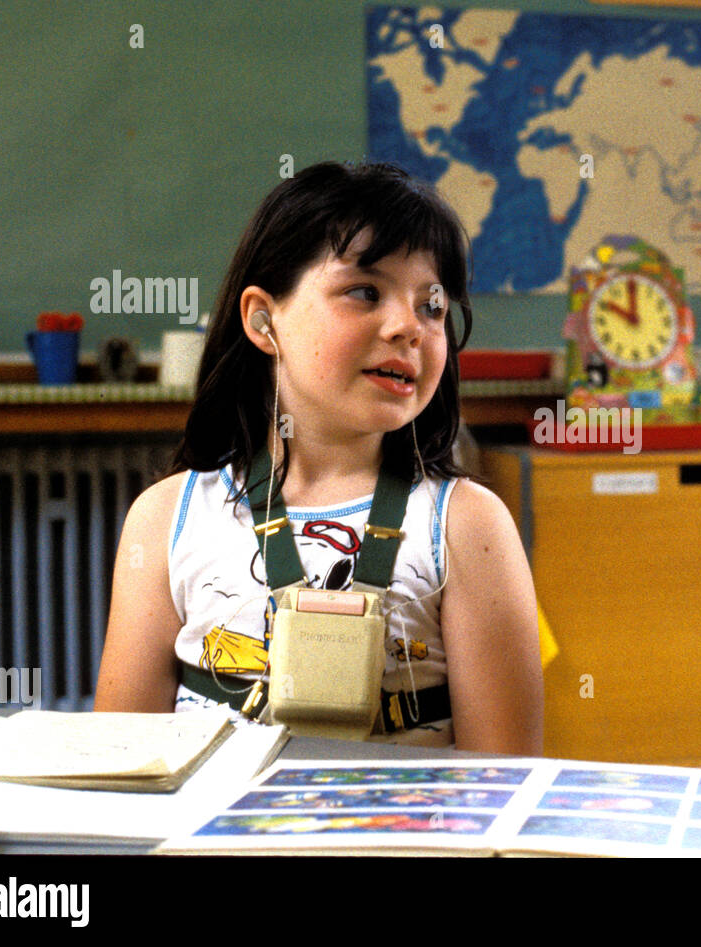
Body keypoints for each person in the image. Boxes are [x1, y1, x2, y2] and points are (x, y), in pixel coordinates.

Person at [95, 162, 542, 754]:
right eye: (365, 291)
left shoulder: (468, 524)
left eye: (432, 306)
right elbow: (122, 770)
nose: (409, 326)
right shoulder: (165, 519)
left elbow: (504, 787)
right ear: (263, 319)